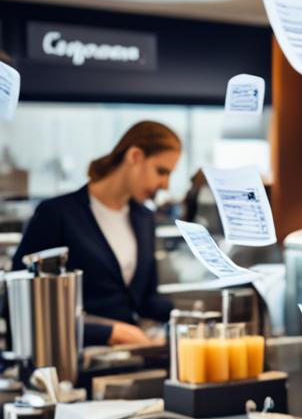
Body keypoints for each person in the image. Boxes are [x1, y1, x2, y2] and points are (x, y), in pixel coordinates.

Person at [14, 121, 180, 346]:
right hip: (72, 359)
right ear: (135, 156)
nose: (165, 185)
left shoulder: (144, 219)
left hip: (127, 359)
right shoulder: (57, 214)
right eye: (161, 171)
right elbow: (23, 305)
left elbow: (146, 300)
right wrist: (109, 332)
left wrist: (190, 317)